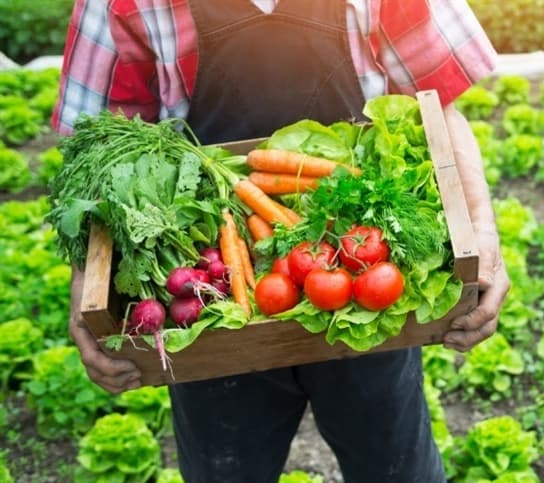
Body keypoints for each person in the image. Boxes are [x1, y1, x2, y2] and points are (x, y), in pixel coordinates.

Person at [54, 1, 509, 482]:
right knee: (226, 472)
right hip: (215, 306)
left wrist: (481, 232)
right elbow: (101, 155)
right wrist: (88, 290)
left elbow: (438, 102)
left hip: (362, 287)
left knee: (395, 467)